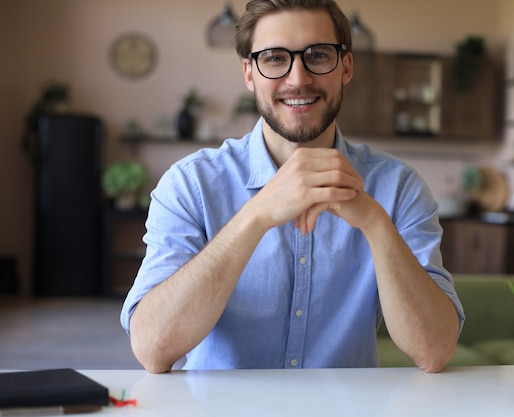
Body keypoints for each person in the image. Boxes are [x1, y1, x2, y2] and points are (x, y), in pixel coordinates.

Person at [121, 0, 464, 374]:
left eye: (318, 55)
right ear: (249, 73)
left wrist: (376, 224)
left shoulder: (398, 187)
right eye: (274, 58)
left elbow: (434, 351)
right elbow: (152, 348)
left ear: (346, 66)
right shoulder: (191, 184)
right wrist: (255, 216)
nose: (298, 78)